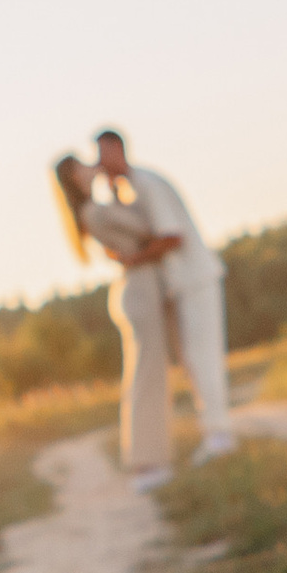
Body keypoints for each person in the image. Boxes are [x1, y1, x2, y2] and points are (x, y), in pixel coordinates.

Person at [92, 129, 233, 459]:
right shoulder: (131, 190)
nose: (99, 164)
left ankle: (220, 435)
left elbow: (172, 237)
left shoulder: (147, 184)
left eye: (102, 154)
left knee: (202, 357)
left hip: (194, 279)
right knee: (191, 359)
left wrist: (134, 259)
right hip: (178, 286)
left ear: (118, 148)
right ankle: (214, 431)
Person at [53, 154, 180, 486]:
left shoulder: (94, 210)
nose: (89, 165)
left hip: (137, 288)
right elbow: (147, 228)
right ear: (75, 179)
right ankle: (148, 464)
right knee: (147, 376)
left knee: (145, 374)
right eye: (81, 165)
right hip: (139, 289)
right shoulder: (96, 211)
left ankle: (148, 459)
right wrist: (120, 190)